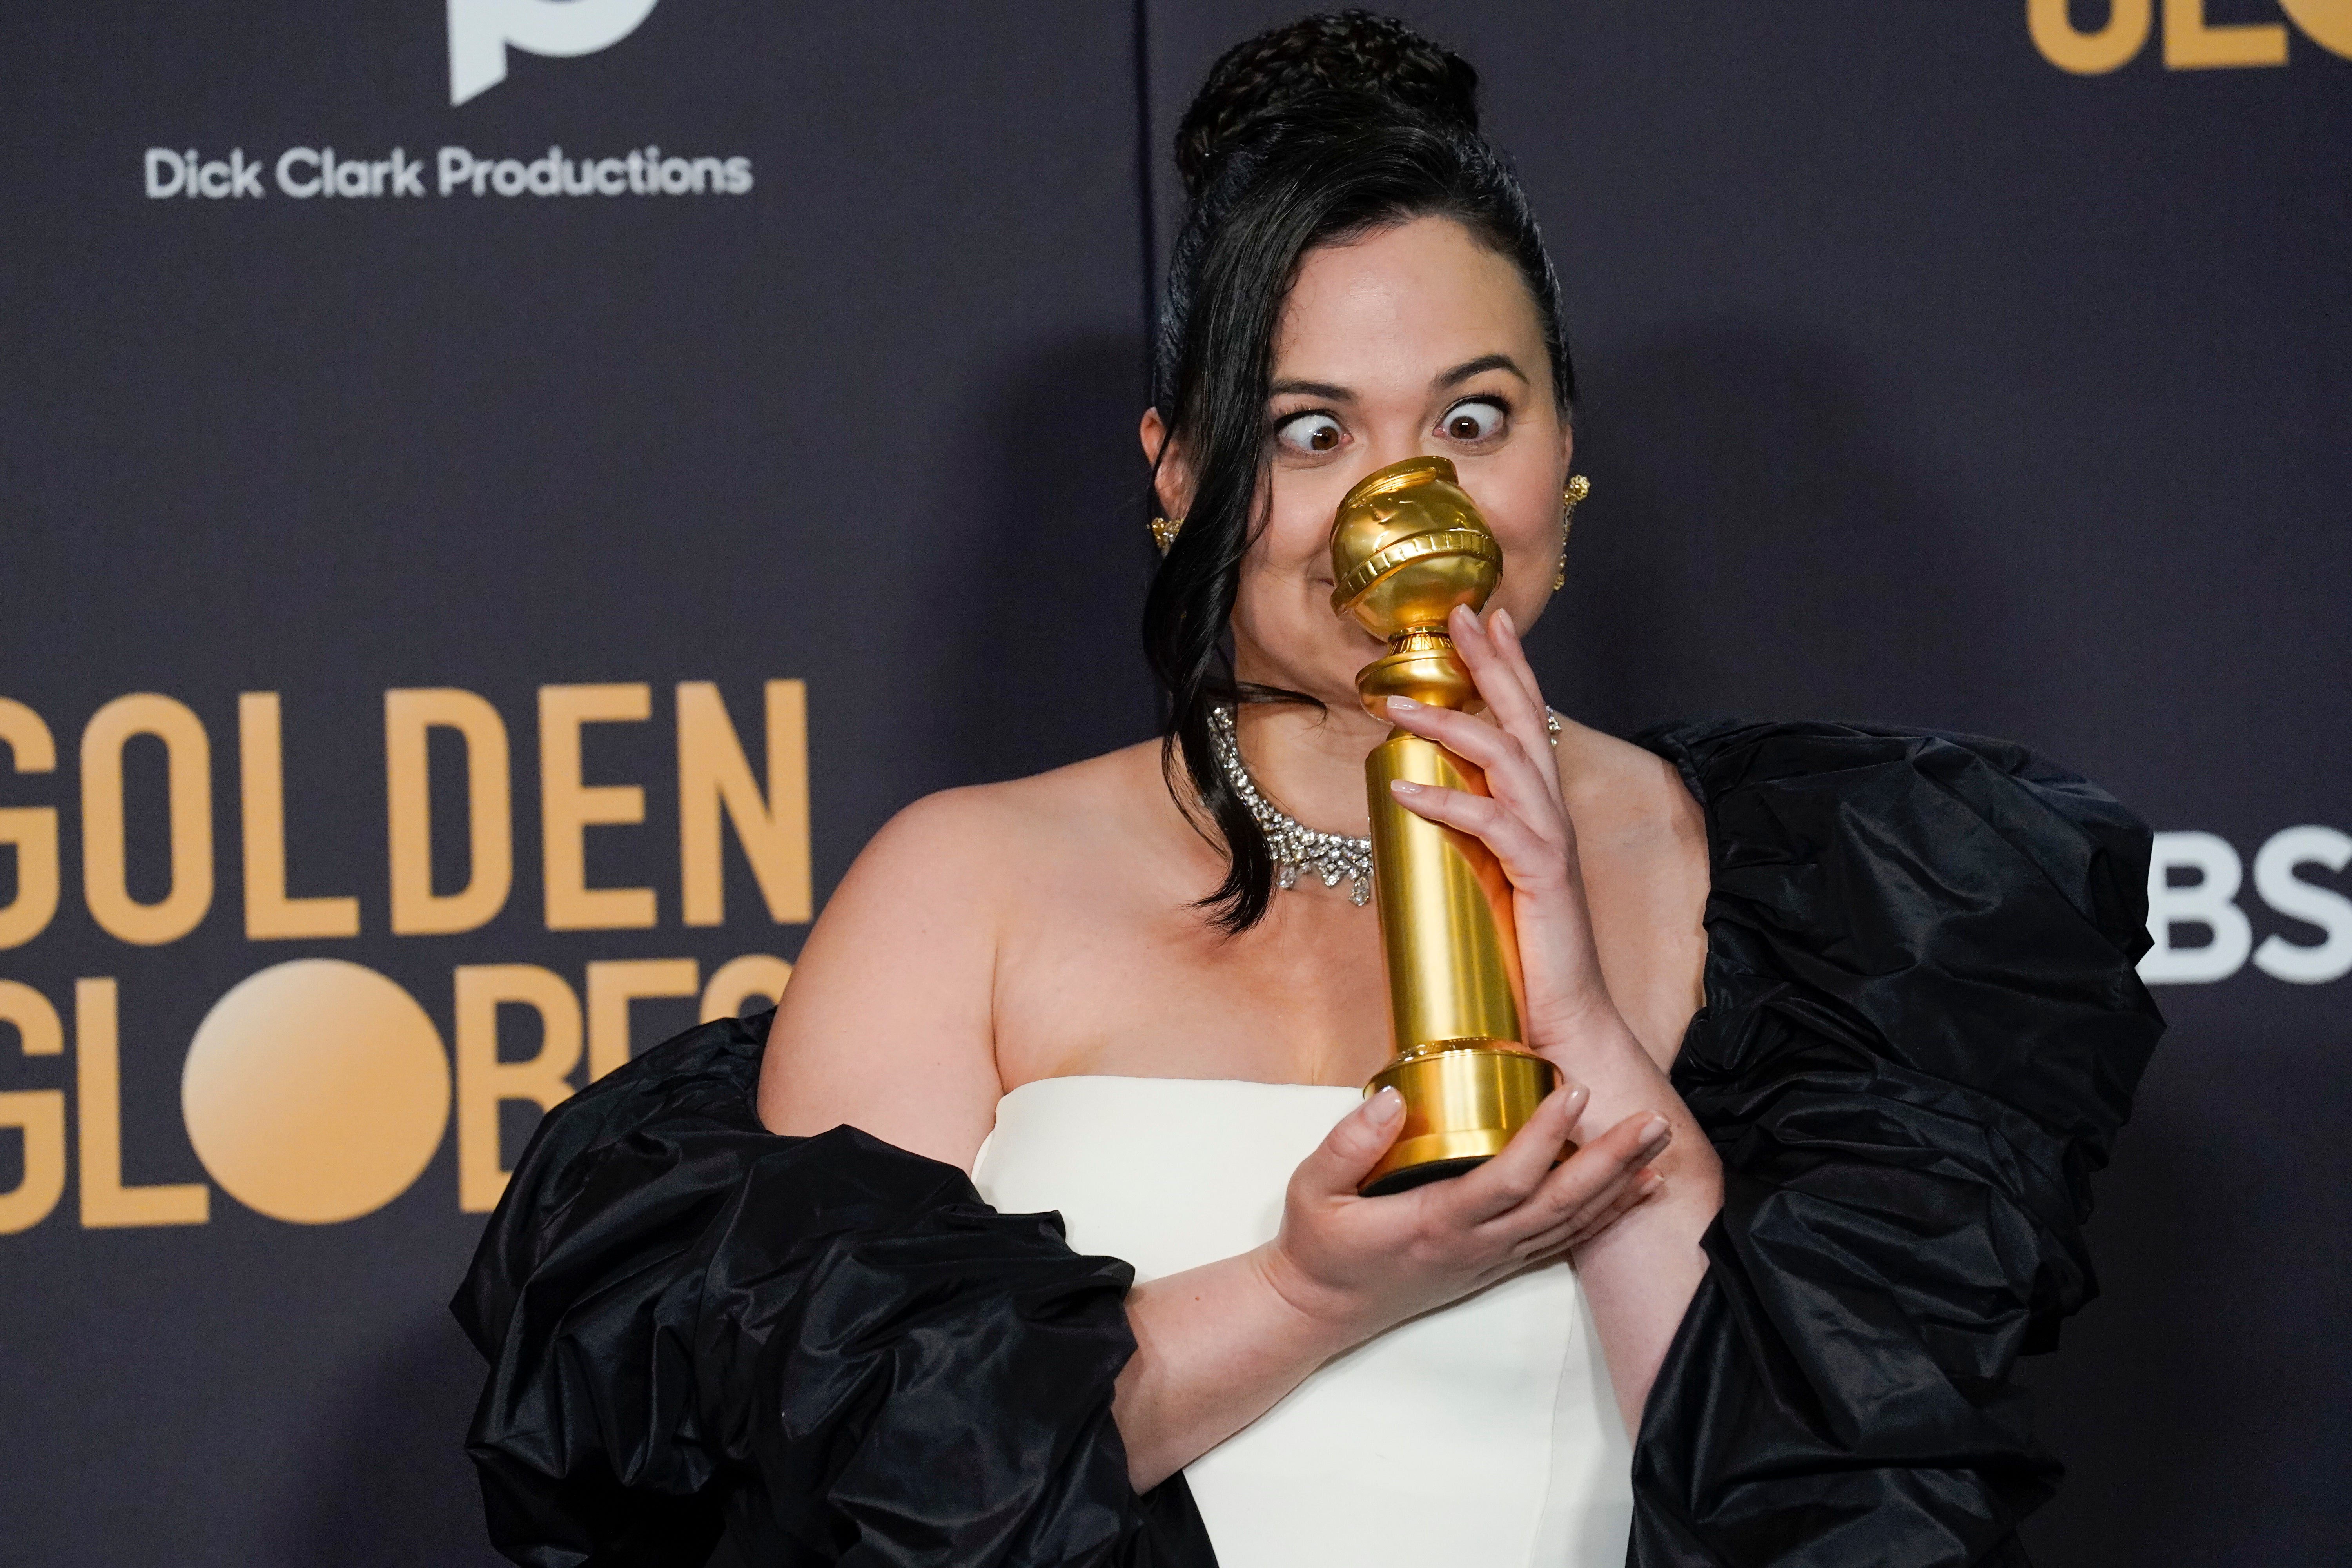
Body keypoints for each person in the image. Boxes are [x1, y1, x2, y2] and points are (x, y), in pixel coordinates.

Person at [454, 14, 2163, 1568]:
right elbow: (858, 1480)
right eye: (1310, 433)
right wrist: (1305, 1293)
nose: (1399, 509)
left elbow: (1824, 1506)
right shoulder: (963, 890)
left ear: (1566, 453)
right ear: (1181, 472)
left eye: (1472, 417)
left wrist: (1586, 1029)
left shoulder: (1819, 892)